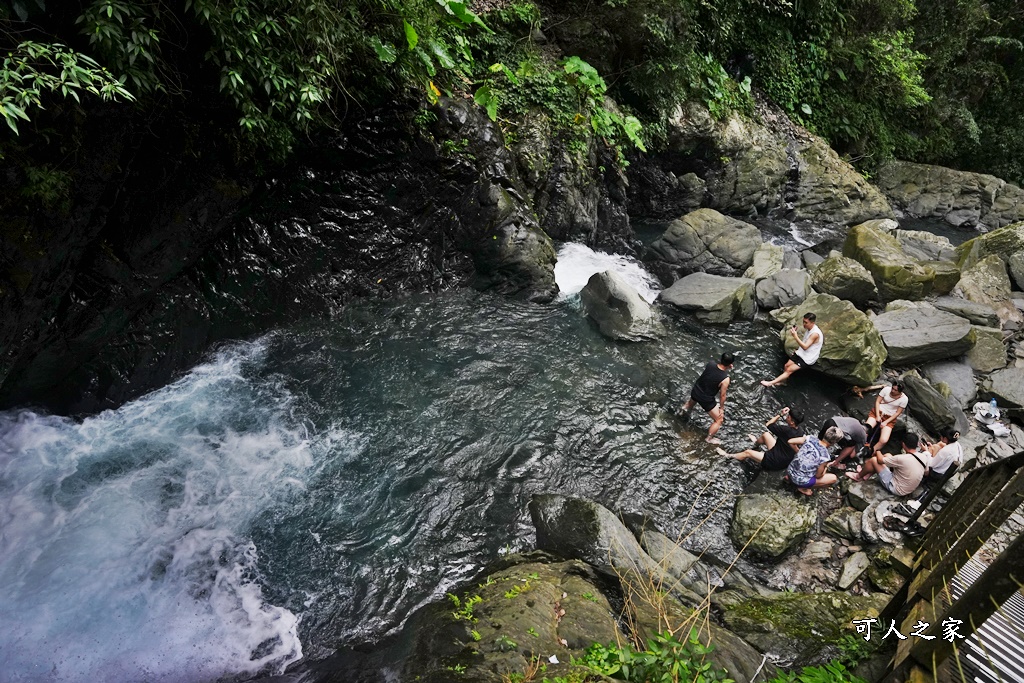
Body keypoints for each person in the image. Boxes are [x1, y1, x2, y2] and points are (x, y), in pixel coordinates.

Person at [717, 406, 805, 470]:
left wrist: (780, 415)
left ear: (792, 422)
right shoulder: (800, 431)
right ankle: (756, 443)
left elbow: (768, 424)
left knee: (748, 453)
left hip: (775, 461)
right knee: (766, 435)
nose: (787, 417)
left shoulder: (786, 430)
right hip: (783, 455)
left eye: (788, 417)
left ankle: (727, 455)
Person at [847, 432, 927, 496]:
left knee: (874, 460)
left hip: (896, 488)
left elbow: (880, 460)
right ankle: (866, 474)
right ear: (917, 445)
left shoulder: (902, 458)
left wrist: (877, 450)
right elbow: (926, 472)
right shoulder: (923, 457)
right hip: (908, 488)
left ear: (903, 444)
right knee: (888, 455)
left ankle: (858, 476)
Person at [679, 352, 734, 445]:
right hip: (706, 399)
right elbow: (723, 395)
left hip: (696, 391)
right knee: (719, 420)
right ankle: (709, 438)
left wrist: (726, 366)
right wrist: (722, 409)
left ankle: (681, 412)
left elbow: (712, 374)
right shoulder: (725, 379)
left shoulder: (711, 364)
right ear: (730, 364)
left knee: (690, 404)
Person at [760, 313, 823, 387]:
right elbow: (806, 343)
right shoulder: (809, 329)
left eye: (806, 322)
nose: (804, 324)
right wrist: (798, 350)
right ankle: (783, 382)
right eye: (803, 321)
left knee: (789, 370)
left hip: (808, 358)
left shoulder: (815, 334)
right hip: (802, 352)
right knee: (786, 366)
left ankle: (770, 383)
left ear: (812, 323)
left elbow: (805, 347)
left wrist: (795, 336)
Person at [785, 425, 842, 495]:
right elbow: (819, 476)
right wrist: (826, 466)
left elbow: (790, 441)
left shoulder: (810, 438)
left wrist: (799, 452)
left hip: (790, 471)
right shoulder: (825, 457)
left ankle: (789, 478)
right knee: (833, 478)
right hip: (799, 480)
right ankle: (803, 488)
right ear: (834, 442)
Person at [865, 381, 908, 454]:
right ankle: (860, 444)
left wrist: (886, 422)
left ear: (900, 392)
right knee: (866, 429)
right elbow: (877, 401)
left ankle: (871, 452)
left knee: (884, 440)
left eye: (895, 390)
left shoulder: (904, 399)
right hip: (878, 412)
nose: (892, 391)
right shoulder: (886, 390)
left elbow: (897, 413)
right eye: (892, 388)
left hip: (889, 417)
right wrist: (878, 416)